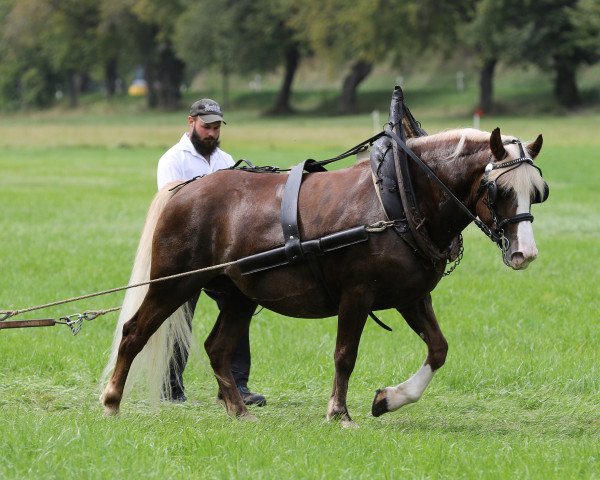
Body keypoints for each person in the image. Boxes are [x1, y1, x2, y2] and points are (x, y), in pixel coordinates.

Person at [156, 98, 266, 407]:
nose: (212, 134)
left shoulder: (226, 160)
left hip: (222, 257)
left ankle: (236, 386)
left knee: (240, 306)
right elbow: (171, 209)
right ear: (190, 122)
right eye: (207, 127)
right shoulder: (172, 160)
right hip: (188, 253)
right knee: (179, 316)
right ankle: (171, 388)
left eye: (217, 128)